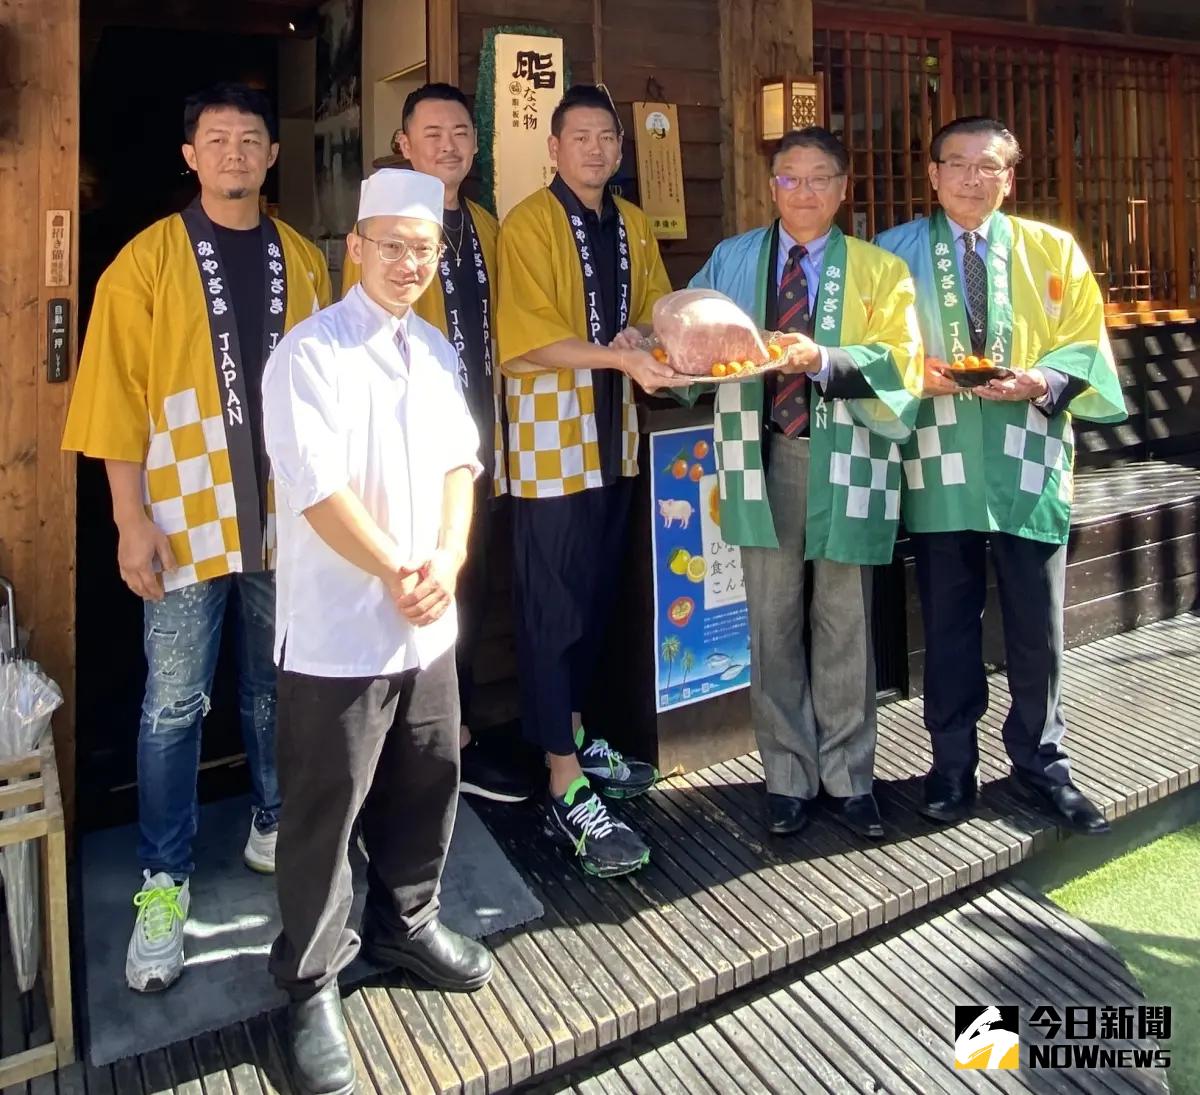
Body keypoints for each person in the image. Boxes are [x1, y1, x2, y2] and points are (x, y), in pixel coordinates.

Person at [61, 82, 331, 993]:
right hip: (179, 515)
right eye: (216, 140)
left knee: (273, 682)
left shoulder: (305, 259)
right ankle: (162, 882)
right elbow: (112, 401)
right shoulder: (142, 264)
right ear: (189, 156)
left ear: (271, 154)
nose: (235, 155)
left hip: (283, 514)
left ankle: (270, 817)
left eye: (250, 140)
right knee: (173, 704)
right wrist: (127, 517)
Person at [263, 169, 493, 1095]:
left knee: (430, 777)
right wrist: (401, 568)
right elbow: (316, 490)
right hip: (337, 631)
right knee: (326, 810)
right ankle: (311, 980)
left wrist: (447, 556)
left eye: (423, 249)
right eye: (389, 244)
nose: (407, 263)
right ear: (353, 248)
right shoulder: (308, 354)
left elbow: (460, 465)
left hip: (427, 621)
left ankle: (408, 920)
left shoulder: (435, 347)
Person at [875, 116, 1125, 834]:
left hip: (1029, 457)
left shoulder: (1054, 251)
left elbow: (1085, 346)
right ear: (931, 174)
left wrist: (1040, 378)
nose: (971, 177)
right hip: (940, 456)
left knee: (1037, 625)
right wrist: (909, 372)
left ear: (1009, 178)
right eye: (956, 163)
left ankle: (1043, 761)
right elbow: (868, 348)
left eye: (988, 166)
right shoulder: (894, 255)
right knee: (949, 625)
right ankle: (952, 764)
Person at [669, 127, 922, 839]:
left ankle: (850, 774)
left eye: (818, 178)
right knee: (771, 619)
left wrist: (821, 358)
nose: (803, 192)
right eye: (789, 178)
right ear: (770, 186)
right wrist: (661, 343)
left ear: (843, 188)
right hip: (760, 452)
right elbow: (690, 335)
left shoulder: (877, 271)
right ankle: (786, 773)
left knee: (845, 620)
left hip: (847, 454)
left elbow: (899, 361)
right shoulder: (733, 258)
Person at [496, 84, 677, 877]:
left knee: (593, 601)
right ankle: (563, 776)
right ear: (554, 147)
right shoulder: (527, 223)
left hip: (616, 439)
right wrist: (621, 354)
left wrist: (664, 336)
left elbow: (657, 308)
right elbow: (525, 339)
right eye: (582, 136)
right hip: (548, 445)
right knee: (550, 608)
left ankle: (573, 735)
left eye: (609, 135)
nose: (599, 148)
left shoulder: (633, 223)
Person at [342, 84, 537, 803]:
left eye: (460, 131)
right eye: (432, 133)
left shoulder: (486, 223)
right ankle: (403, 754)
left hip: (480, 434)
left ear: (476, 144)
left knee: (469, 581)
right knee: (405, 584)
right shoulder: (388, 226)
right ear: (404, 143)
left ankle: (448, 740)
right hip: (407, 437)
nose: (448, 144)